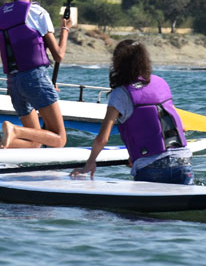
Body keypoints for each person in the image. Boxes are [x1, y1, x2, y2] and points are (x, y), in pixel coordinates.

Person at [72, 40, 193, 184]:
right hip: (183, 162)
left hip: (152, 167)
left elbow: (102, 139)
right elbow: (182, 127)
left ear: (117, 64)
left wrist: (90, 163)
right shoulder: (161, 83)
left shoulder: (120, 93)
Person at [0, 0, 71, 148]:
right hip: (34, 78)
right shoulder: (36, 12)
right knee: (59, 139)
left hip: (13, 82)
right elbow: (58, 55)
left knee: (35, 143)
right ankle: (15, 130)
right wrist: (65, 29)